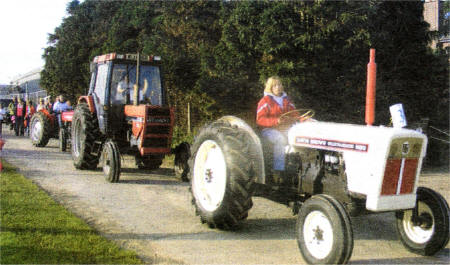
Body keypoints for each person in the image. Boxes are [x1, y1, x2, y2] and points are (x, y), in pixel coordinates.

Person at [256, 76, 299, 184]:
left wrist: (304, 119)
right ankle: (278, 171)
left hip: (285, 128)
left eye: (279, 84)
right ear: (270, 88)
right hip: (269, 129)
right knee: (280, 139)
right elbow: (260, 120)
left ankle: (296, 168)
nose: (278, 87)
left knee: (298, 137)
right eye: (275, 85)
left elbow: (295, 114)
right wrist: (275, 121)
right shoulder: (265, 101)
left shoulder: (286, 100)